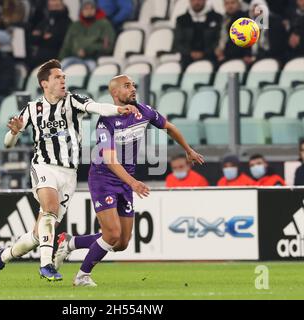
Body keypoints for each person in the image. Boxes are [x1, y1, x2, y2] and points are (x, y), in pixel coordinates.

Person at [0, 59, 138, 282]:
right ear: (44, 83)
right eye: (58, 77)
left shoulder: (73, 101)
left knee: (39, 235)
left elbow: (96, 107)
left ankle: (4, 255)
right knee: (49, 208)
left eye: (64, 77)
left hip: (69, 174)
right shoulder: (32, 109)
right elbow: (8, 143)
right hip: (44, 166)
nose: (63, 81)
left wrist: (117, 110)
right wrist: (15, 133)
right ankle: (46, 265)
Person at [54, 75, 205, 287]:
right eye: (127, 86)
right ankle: (82, 276)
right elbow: (110, 159)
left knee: (121, 243)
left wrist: (188, 150)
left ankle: (71, 242)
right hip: (103, 179)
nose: (132, 88)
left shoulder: (144, 111)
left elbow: (169, 127)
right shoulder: (106, 121)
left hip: (126, 181)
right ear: (115, 93)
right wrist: (133, 182)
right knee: (112, 234)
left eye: (133, 85)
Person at [59, 0, 115, 71]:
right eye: (86, 8)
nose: (89, 11)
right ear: (81, 10)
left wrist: (88, 50)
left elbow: (107, 46)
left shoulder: (104, 24)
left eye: (91, 8)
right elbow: (67, 45)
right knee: (62, 65)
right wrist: (60, 59)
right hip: (74, 57)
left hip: (93, 59)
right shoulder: (75, 26)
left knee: (91, 68)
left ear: (95, 10)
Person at [173, 0, 222, 68]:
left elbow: (219, 39)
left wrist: (205, 53)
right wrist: (190, 53)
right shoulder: (181, 20)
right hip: (186, 60)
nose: (196, 2)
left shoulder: (217, 18)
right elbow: (177, 43)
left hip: (211, 58)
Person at [27, 0, 72, 69]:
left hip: (56, 59)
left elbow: (58, 41)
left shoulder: (68, 23)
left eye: (56, 6)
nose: (54, 9)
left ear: (63, 6)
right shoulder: (45, 22)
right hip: (37, 60)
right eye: (51, 6)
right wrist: (43, 36)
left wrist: (41, 37)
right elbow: (32, 38)